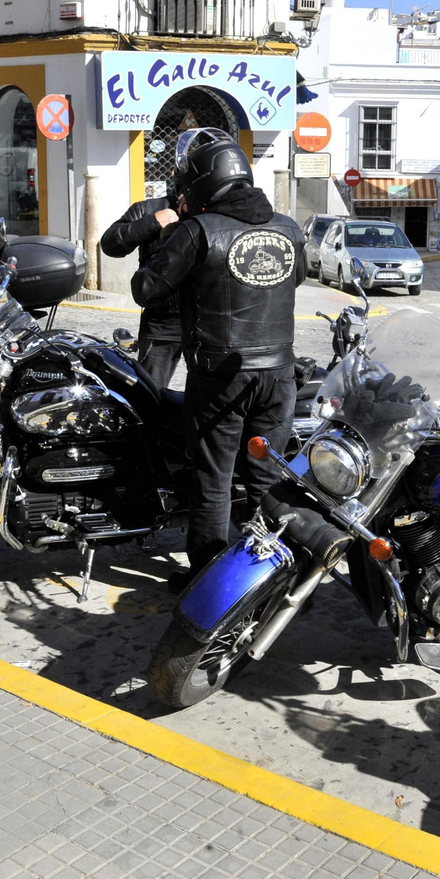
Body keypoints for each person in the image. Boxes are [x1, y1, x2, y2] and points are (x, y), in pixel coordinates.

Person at [132, 132, 305, 584]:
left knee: (212, 479)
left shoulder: (197, 231)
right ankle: (274, 576)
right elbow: (296, 276)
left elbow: (145, 289)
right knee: (267, 478)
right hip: (278, 374)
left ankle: (211, 582)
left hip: (219, 375)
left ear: (202, 184)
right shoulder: (287, 227)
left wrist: (166, 234)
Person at [101, 183, 184, 388]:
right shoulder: (149, 208)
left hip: (209, 318)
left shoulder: (216, 210)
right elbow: (110, 243)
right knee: (150, 391)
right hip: (162, 320)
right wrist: (153, 222)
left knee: (211, 399)